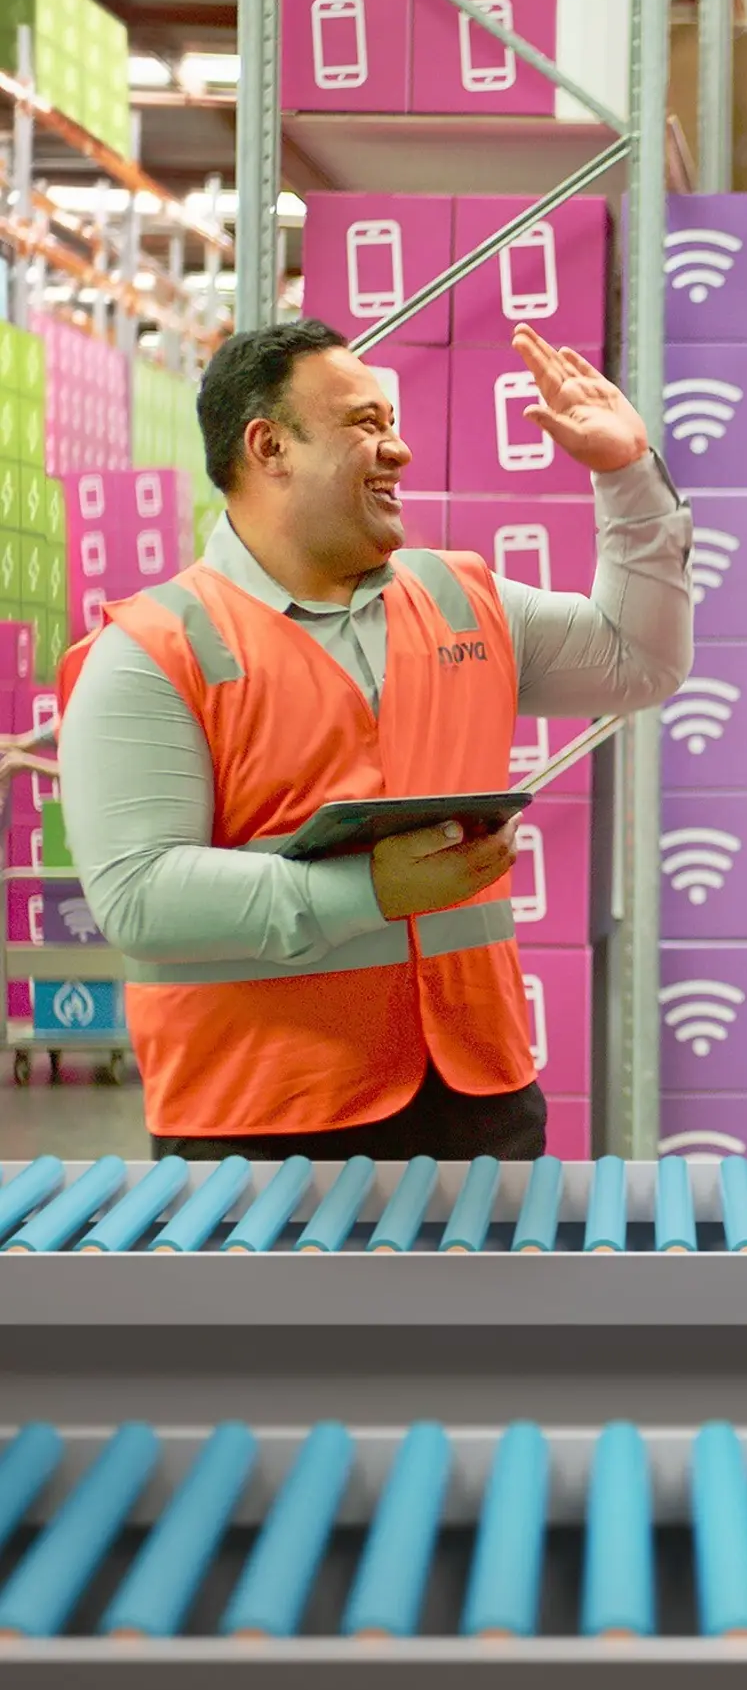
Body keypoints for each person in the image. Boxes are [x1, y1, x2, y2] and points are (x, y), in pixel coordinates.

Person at [57, 319, 692, 1161]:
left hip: (478, 1095)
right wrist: (367, 892)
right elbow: (138, 895)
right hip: (260, 1118)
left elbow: (637, 659)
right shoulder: (152, 651)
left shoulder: (462, 598)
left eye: (391, 423)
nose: (398, 450)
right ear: (269, 446)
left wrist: (627, 477)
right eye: (366, 424)